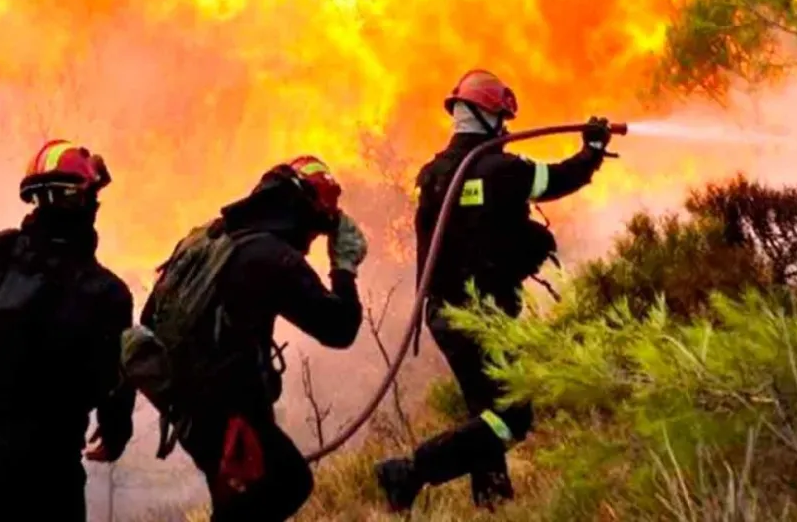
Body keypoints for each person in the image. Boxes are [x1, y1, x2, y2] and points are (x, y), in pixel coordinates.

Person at [374, 69, 616, 512]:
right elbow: (559, 179)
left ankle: (493, 501)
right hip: (482, 316)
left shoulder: (433, 174)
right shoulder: (501, 169)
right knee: (512, 416)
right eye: (502, 119)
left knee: (485, 410)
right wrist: (593, 150)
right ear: (488, 116)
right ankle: (410, 471)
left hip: (443, 316)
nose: (505, 128)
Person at [136, 155, 368, 522]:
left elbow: (149, 317)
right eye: (316, 228)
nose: (311, 239)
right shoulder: (271, 257)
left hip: (189, 410)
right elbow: (339, 328)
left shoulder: (209, 236)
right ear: (301, 213)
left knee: (239, 506)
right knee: (287, 484)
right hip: (230, 419)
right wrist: (344, 266)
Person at [0, 139, 136, 522]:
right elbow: (116, 377)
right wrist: (116, 429)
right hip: (51, 473)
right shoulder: (107, 293)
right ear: (82, 203)